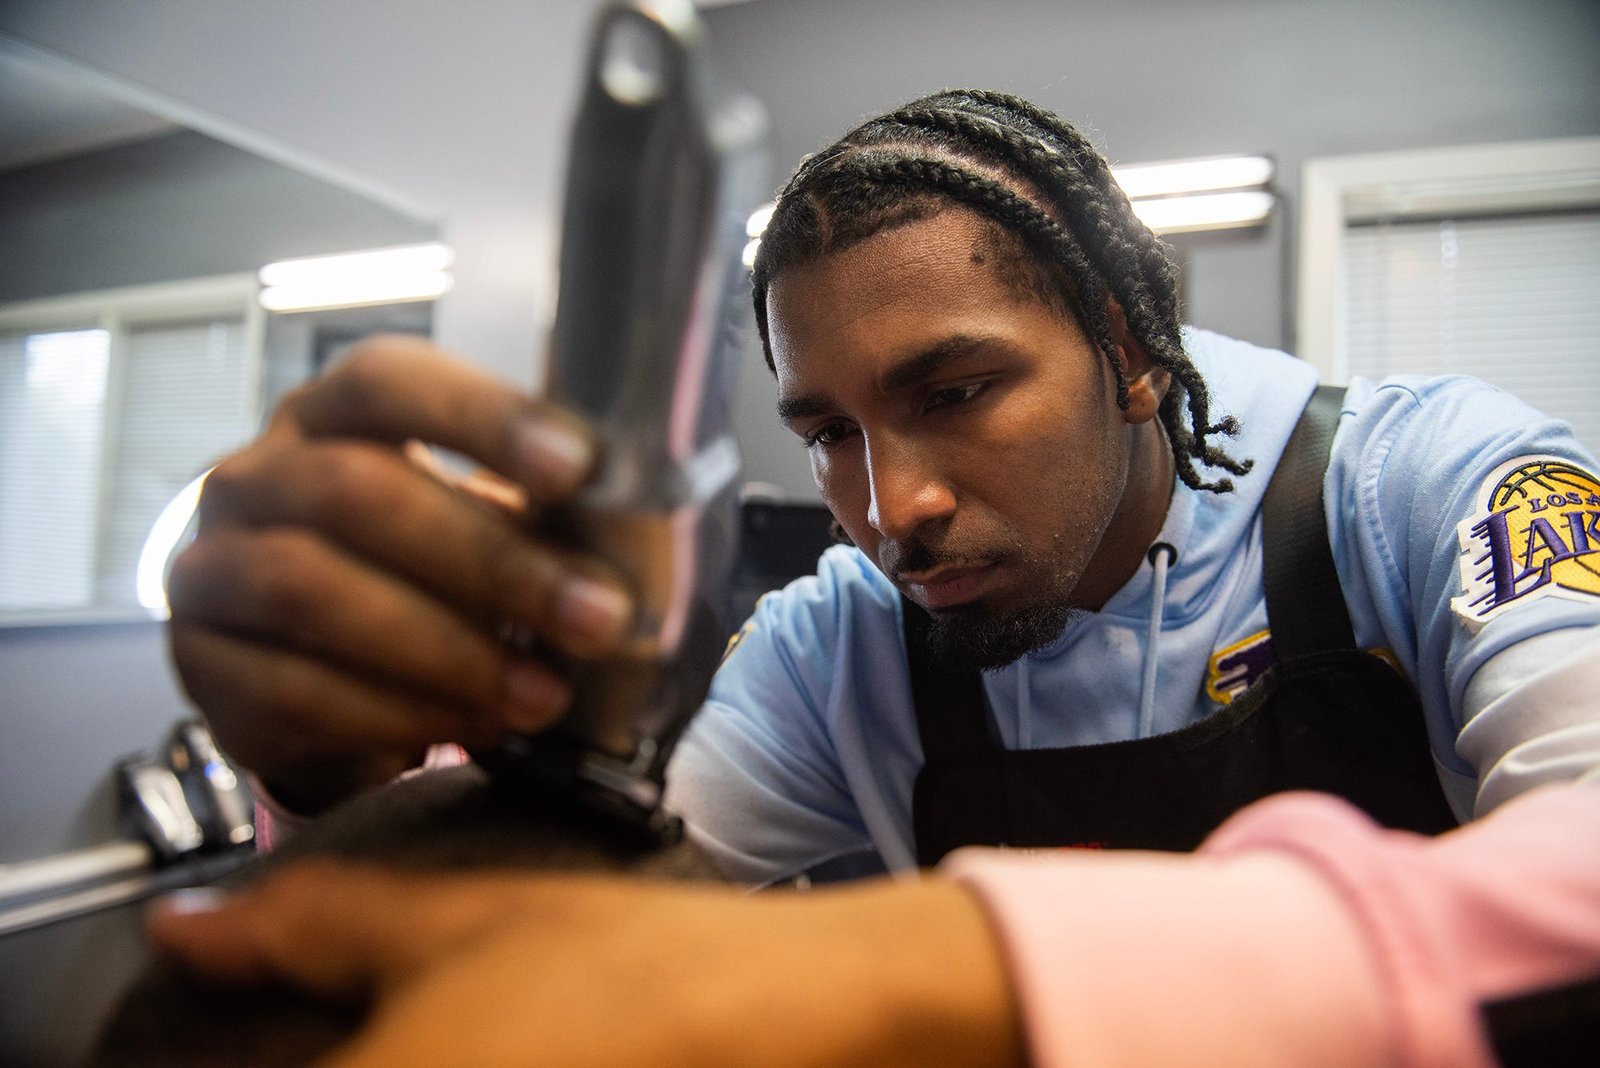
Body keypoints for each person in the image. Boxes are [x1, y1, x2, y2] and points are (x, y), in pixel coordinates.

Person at [155, 90, 1600, 1066]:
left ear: (1132, 347)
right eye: (829, 434)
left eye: (959, 390)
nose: (886, 509)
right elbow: (568, 932)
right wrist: (341, 773)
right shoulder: (832, 644)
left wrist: (949, 960)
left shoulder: (1429, 487)